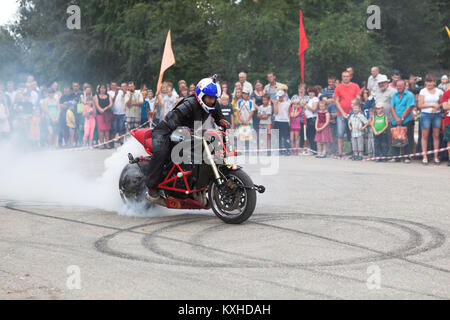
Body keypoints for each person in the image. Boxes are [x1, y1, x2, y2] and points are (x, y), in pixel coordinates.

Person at [144, 76, 230, 202]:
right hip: (166, 130)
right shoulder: (189, 104)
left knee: (210, 144)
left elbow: (219, 119)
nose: (212, 101)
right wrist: (183, 129)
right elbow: (171, 118)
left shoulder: (213, 103)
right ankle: (152, 188)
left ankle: (197, 185)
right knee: (162, 152)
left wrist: (224, 123)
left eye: (214, 98)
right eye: (209, 98)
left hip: (190, 132)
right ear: (201, 95)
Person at [333, 71, 361, 157]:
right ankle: (340, 152)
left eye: (347, 76)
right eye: (344, 76)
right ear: (342, 77)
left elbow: (358, 99)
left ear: (350, 77)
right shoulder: (338, 87)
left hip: (353, 113)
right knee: (340, 133)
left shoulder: (355, 86)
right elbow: (336, 101)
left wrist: (355, 110)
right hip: (341, 113)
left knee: (354, 132)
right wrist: (343, 113)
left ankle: (354, 151)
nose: (346, 78)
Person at [418, 74, 443, 164]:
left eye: (430, 81)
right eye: (427, 81)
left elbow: (441, 103)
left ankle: (436, 156)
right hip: (425, 114)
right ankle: (425, 156)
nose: (428, 83)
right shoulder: (423, 91)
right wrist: (432, 105)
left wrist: (437, 107)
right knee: (425, 136)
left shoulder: (439, 91)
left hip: (436, 115)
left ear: (434, 82)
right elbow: (420, 105)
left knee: (436, 136)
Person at [389, 80, 415, 163]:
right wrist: (396, 118)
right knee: (395, 138)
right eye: (397, 86)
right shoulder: (394, 95)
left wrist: (402, 118)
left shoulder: (409, 95)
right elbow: (392, 107)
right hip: (395, 120)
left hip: (406, 120)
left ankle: (407, 157)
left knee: (406, 138)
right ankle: (395, 157)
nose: (399, 87)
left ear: (405, 86)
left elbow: (409, 108)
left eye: (400, 86)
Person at [94, 84, 113, 149]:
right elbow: (96, 105)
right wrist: (101, 110)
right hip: (99, 115)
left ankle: (107, 144)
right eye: (101, 88)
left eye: (104, 88)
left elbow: (111, 104)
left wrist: (105, 108)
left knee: (107, 130)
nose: (102, 90)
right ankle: (102, 144)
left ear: (106, 89)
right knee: (101, 130)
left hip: (107, 114)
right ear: (99, 89)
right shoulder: (96, 96)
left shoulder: (108, 96)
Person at [273, 90, 290, 155]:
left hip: (285, 121)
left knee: (286, 136)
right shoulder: (276, 103)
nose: (279, 98)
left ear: (283, 96)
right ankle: (279, 150)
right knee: (278, 137)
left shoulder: (287, 103)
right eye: (278, 96)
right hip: (277, 121)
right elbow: (275, 112)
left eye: (281, 96)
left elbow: (288, 113)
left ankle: (287, 150)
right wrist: (275, 104)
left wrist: (289, 121)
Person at [305, 86, 319, 152]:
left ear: (314, 93)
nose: (310, 93)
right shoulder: (309, 100)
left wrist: (306, 105)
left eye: (312, 92)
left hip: (313, 119)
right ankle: (313, 149)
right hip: (308, 119)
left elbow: (314, 109)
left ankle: (315, 149)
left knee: (312, 134)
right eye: (309, 92)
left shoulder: (315, 99)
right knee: (309, 135)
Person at [442, 87, 450, 166]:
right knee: (449, 141)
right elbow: (445, 107)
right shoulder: (446, 93)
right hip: (448, 120)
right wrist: (447, 105)